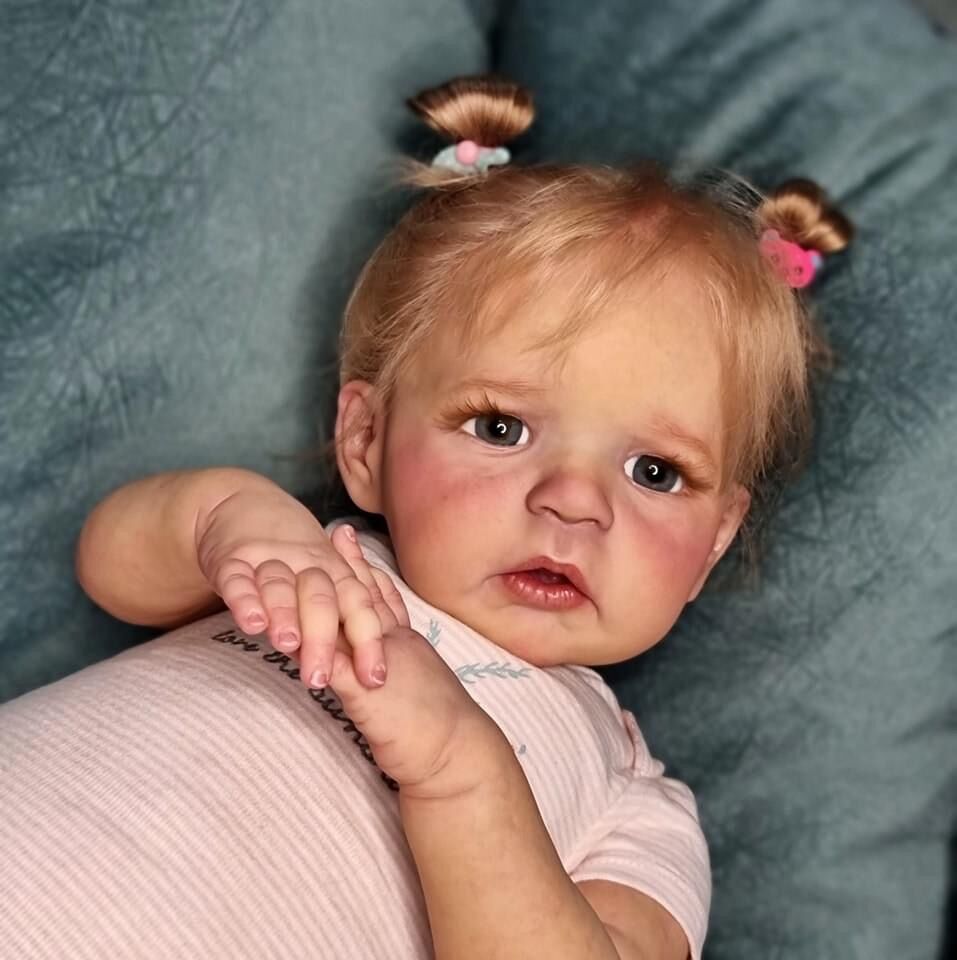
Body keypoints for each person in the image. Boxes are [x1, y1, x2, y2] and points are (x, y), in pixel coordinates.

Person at [71, 75, 852, 959]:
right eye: (500, 427)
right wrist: (229, 518)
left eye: (654, 471)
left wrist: (461, 772)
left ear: (713, 543)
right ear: (365, 441)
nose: (573, 501)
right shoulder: (311, 563)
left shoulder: (632, 803)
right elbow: (109, 566)